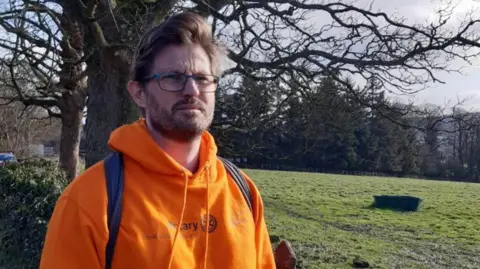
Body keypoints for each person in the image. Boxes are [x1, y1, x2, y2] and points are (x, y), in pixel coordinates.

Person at [39, 12, 276, 269]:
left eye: (202, 78)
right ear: (139, 93)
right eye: (173, 78)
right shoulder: (89, 201)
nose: (192, 90)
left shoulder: (242, 190)